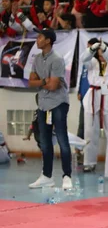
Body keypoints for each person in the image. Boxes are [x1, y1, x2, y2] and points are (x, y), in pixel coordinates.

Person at [28, 28, 72, 190]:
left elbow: (54, 86)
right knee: (45, 142)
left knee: (62, 140)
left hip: (58, 103)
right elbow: (30, 82)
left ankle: (67, 176)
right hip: (43, 104)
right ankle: (47, 176)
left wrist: (42, 82)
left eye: (40, 37)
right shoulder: (37, 59)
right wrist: (43, 81)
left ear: (48, 41)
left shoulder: (57, 59)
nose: (37, 39)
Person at [80, 40, 108, 176]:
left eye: (103, 49)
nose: (101, 52)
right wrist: (92, 48)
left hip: (107, 95)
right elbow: (83, 58)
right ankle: (89, 162)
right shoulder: (91, 63)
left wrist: (105, 48)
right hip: (92, 96)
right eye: (99, 50)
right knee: (90, 131)